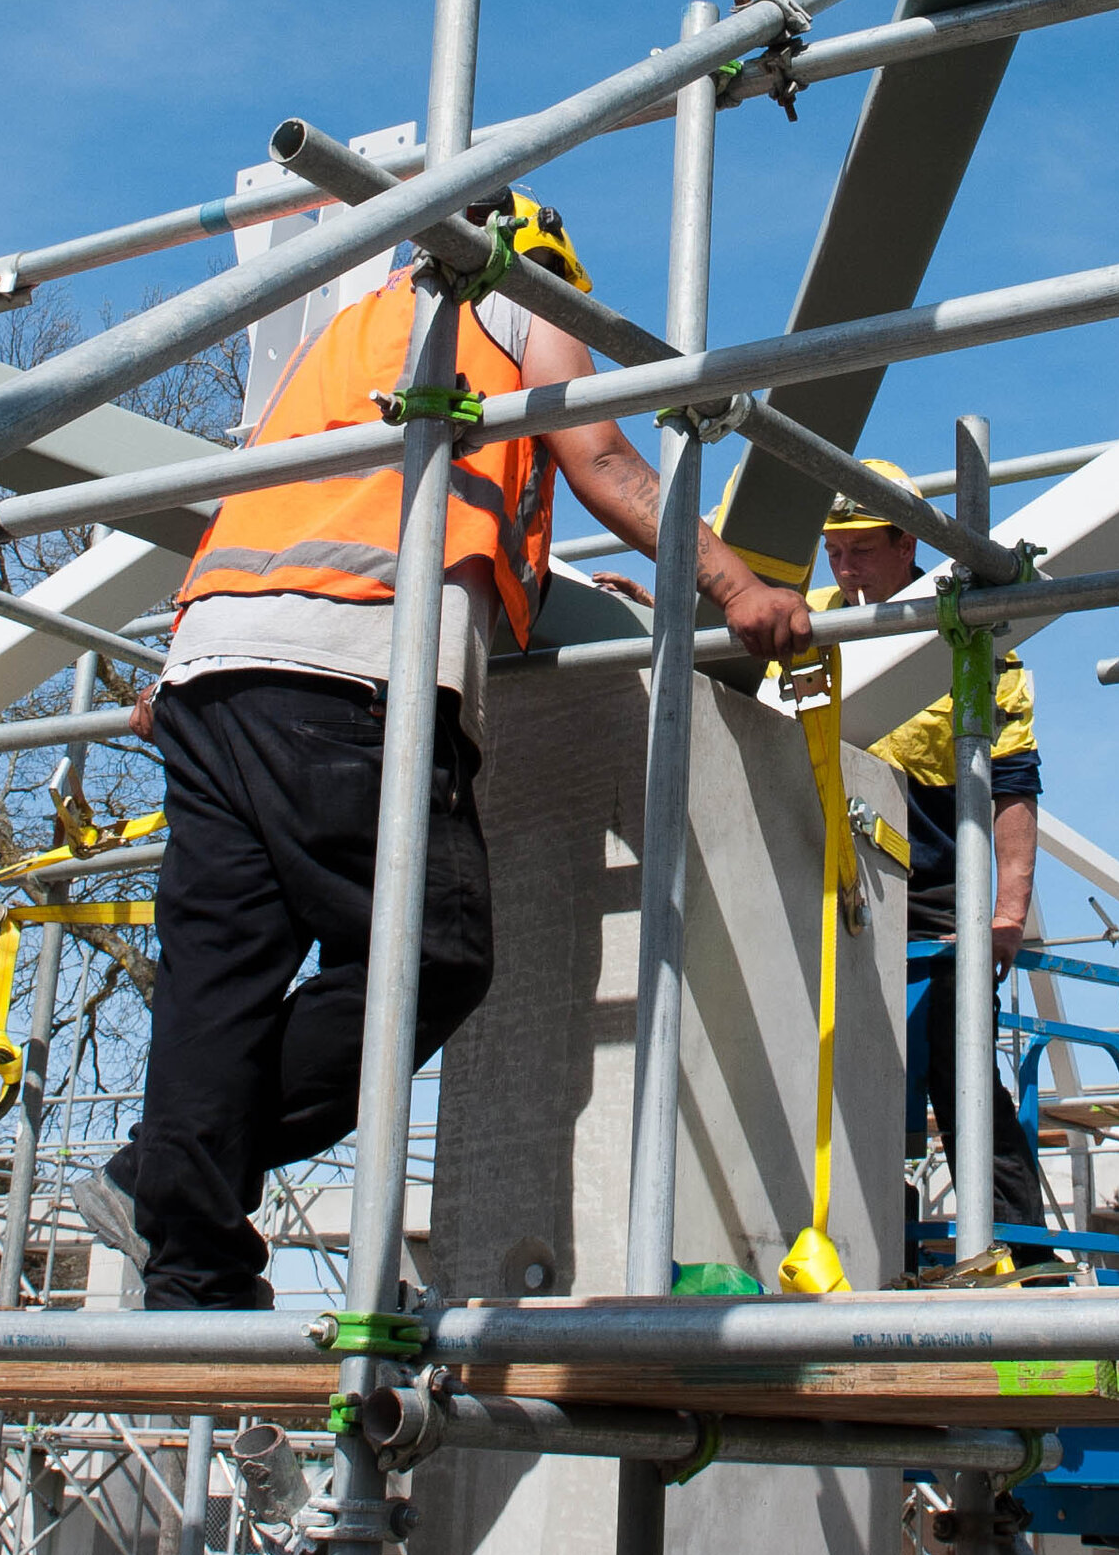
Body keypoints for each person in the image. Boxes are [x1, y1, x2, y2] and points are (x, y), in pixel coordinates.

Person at [72, 192, 819, 1309]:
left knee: (216, 987)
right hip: (358, 666)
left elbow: (347, 498)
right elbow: (605, 459)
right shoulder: (519, 297)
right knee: (435, 951)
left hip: (216, 663)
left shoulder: (349, 333)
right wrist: (734, 584)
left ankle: (191, 1263)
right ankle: (169, 1177)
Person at [783, 461, 1048, 1267]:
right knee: (852, 1069)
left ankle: (1022, 1253)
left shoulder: (970, 631)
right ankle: (877, 1256)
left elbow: (1011, 791)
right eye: (833, 548)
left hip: (937, 888)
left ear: (909, 545)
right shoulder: (812, 618)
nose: (843, 564)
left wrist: (1006, 911)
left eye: (860, 547)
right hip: (836, 870)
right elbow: (731, 663)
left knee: (958, 1070)